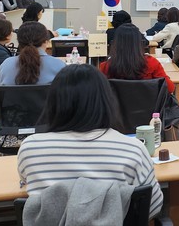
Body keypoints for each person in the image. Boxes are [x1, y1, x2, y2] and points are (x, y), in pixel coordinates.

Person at [17, 64, 163, 220]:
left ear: (53, 102)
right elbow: (152, 207)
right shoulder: (133, 149)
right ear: (106, 100)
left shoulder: (30, 148)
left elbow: (26, 182)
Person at [99, 24, 174, 93]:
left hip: (115, 103)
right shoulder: (152, 63)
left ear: (116, 43)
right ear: (139, 42)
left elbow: (100, 92)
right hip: (148, 103)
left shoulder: (105, 66)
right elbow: (170, 88)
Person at [0, 22, 65, 86]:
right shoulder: (59, 65)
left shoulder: (6, 65)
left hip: (14, 96)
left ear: (19, 42)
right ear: (46, 41)